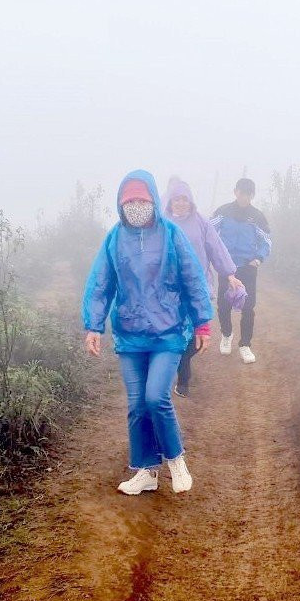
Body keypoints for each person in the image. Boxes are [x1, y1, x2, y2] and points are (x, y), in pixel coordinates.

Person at [82, 169, 212, 496]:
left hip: (168, 332)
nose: (136, 206)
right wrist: (94, 325)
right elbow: (100, 283)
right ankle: (146, 471)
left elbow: (193, 278)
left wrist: (202, 322)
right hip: (130, 335)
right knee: (137, 405)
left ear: (154, 200)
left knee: (156, 396)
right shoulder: (114, 238)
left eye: (142, 200)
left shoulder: (171, 234)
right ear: (120, 205)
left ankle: (176, 460)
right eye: (130, 202)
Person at [161, 176, 244, 397]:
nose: (181, 203)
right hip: (170, 290)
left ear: (191, 201)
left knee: (198, 336)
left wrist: (229, 274)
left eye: (185, 199)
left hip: (198, 287)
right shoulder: (160, 223)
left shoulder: (201, 222)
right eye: (177, 199)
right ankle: (183, 379)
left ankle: (181, 363)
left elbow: (216, 248)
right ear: (170, 201)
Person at [211, 177, 271, 364]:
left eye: (248, 193)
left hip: (247, 267)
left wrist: (259, 258)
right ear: (235, 191)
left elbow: (267, 240)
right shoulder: (223, 211)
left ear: (252, 195)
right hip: (226, 266)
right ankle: (226, 334)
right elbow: (208, 233)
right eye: (241, 192)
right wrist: (214, 255)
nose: (244, 196)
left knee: (248, 306)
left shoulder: (257, 216)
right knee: (223, 304)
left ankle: (245, 345)